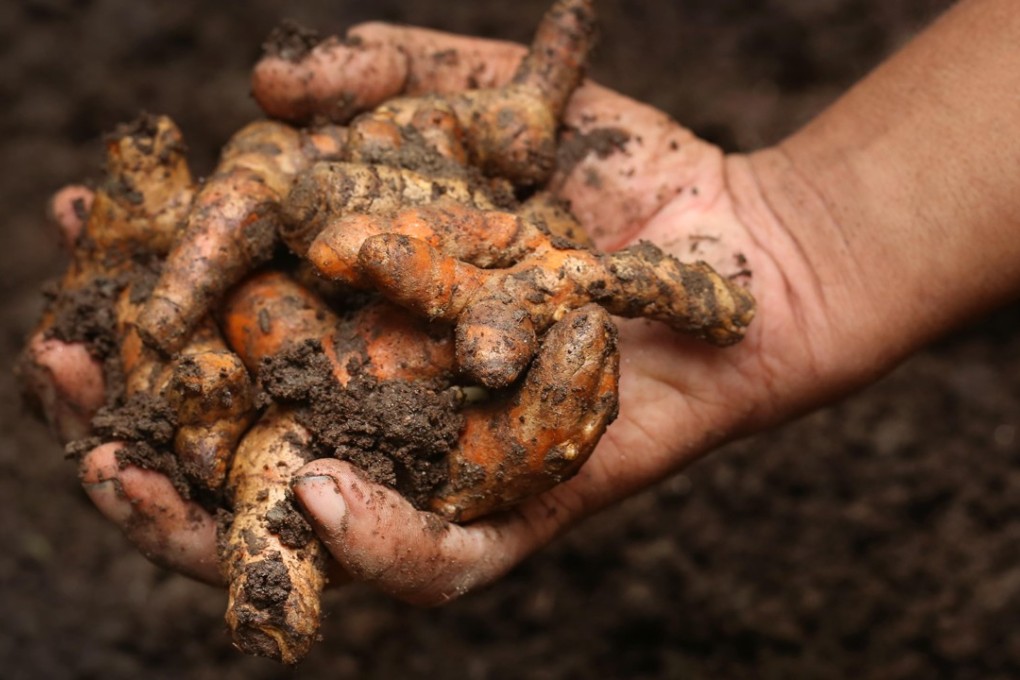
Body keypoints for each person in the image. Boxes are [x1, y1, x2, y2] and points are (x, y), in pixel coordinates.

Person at [26, 0, 1020, 602]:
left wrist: (805, 243)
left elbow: (502, 304)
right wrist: (811, 236)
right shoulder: (313, 243)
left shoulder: (509, 269)